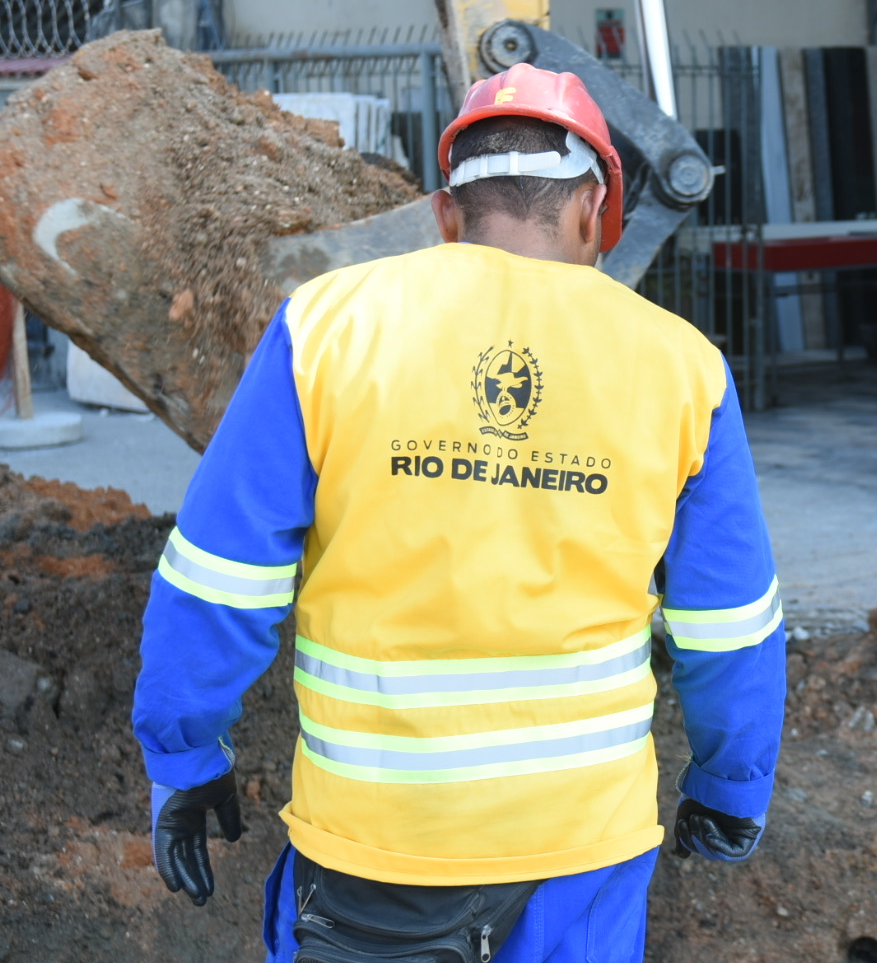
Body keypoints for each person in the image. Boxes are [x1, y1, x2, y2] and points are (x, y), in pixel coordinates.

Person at [132, 63, 786, 961]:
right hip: (582, 847)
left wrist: (185, 756)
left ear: (446, 217)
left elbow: (218, 578)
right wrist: (732, 786)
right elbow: (729, 625)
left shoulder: (325, 327)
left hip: (377, 841)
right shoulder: (684, 367)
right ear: (596, 213)